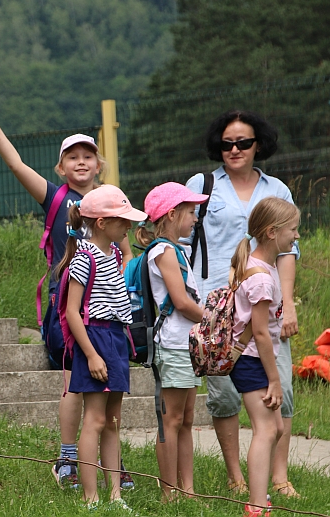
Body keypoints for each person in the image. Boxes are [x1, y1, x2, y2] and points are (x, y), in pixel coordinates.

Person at [0, 103, 135, 490]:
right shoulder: (55, 198)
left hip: (107, 313)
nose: (80, 162)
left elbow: (126, 253)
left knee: (107, 391)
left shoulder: (112, 204)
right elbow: (17, 166)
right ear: (60, 168)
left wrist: (119, 289)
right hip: (70, 308)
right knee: (75, 382)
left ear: (99, 163)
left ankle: (108, 462)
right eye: (71, 157)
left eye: (87, 155)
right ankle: (69, 457)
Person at [185, 110, 301, 498]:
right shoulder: (202, 185)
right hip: (217, 310)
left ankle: (280, 478)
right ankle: (236, 476)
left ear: (258, 145)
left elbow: (288, 253)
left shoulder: (278, 189)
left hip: (267, 306)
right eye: (226, 143)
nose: (234, 149)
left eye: (243, 142)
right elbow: (183, 245)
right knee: (222, 395)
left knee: (279, 386)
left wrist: (289, 304)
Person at [57, 185, 146, 512]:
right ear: (101, 223)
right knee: (94, 419)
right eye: (122, 220)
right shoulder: (84, 259)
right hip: (94, 339)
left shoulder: (118, 254)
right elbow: (71, 312)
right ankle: (90, 496)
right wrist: (92, 355)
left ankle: (115, 494)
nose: (127, 226)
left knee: (112, 420)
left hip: (115, 340)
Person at [228, 197, 300, 517]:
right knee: (267, 429)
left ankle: (259, 498)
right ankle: (256, 506)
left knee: (277, 429)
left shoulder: (264, 267)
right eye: (293, 230)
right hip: (251, 360)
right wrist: (275, 379)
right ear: (272, 232)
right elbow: (259, 333)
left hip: (254, 358)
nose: (296, 236)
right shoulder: (261, 277)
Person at [138, 182, 209, 502]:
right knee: (172, 419)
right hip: (173, 345)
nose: (195, 219)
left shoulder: (177, 250)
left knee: (187, 419)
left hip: (186, 345)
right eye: (191, 212)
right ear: (171, 215)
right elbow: (180, 302)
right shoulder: (164, 252)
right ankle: (169, 490)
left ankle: (187, 488)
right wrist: (213, 320)